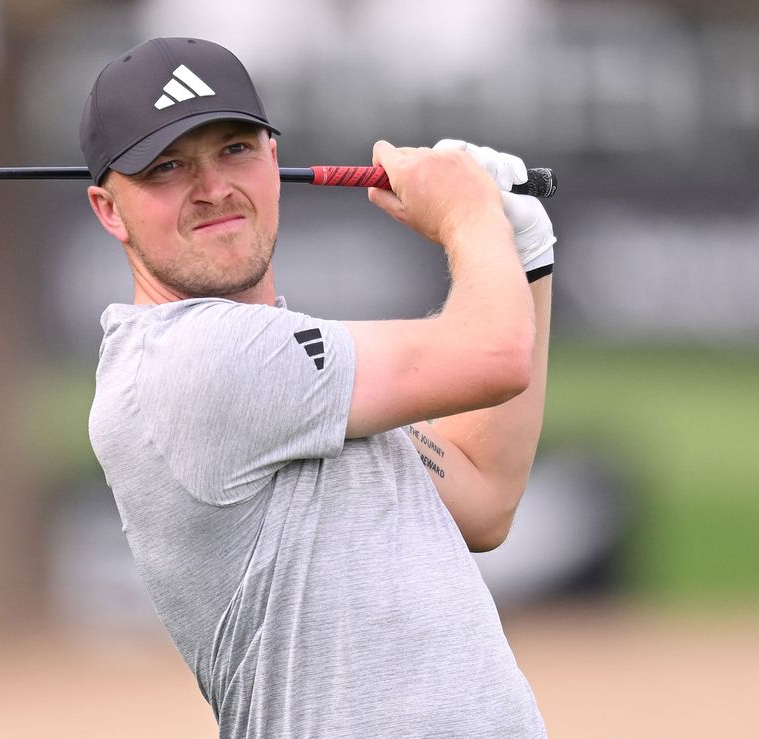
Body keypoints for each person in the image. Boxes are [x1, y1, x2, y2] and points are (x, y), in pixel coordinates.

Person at [81, 37, 554, 738]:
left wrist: (525, 255)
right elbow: (494, 352)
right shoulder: (187, 363)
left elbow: (484, 493)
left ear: (274, 159)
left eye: (234, 149)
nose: (213, 187)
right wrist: (467, 214)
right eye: (167, 167)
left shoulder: (303, 371)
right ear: (109, 209)